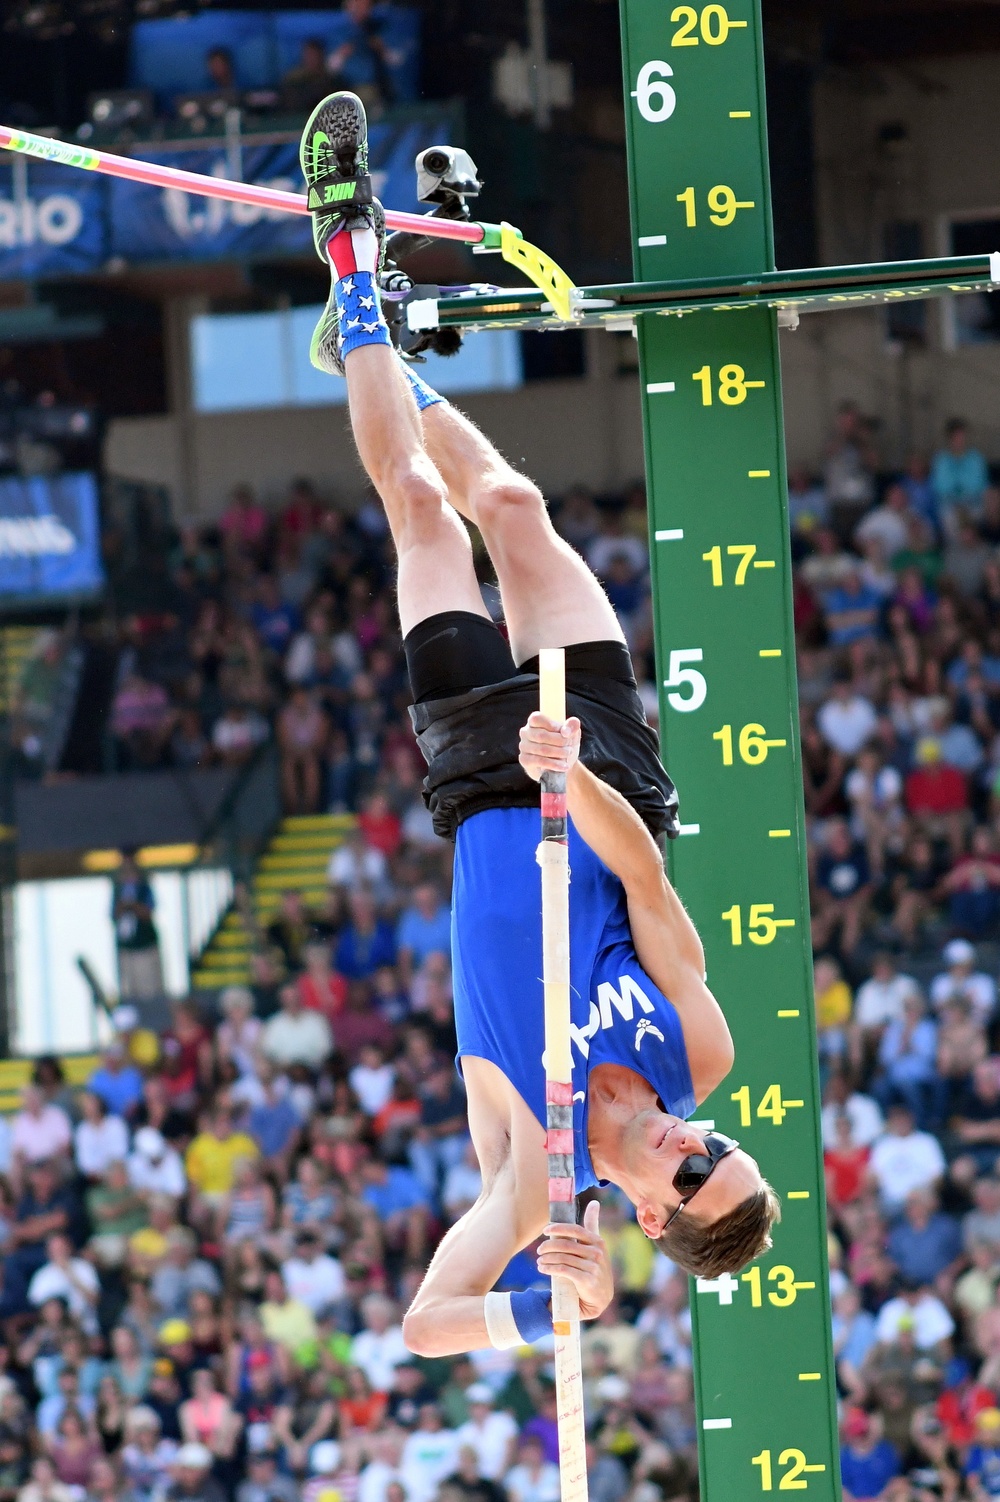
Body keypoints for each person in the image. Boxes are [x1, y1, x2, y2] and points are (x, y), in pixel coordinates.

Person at [297, 93, 778, 1356]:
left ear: (650, 1222)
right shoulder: (700, 1050)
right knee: (508, 502)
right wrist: (577, 785)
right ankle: (377, 353)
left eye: (689, 1179)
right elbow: (645, 878)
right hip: (601, 765)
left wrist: (541, 1302)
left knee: (417, 510)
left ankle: (344, 248)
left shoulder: (535, 1177)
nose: (694, 1146)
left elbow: (421, 1325)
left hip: (474, 782)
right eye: (719, 1151)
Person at [112, 855, 164, 1002]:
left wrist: (133, 905)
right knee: (129, 989)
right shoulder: (117, 891)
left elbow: (148, 913)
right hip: (127, 947)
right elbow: (114, 914)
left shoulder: (144, 889)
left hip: (144, 947)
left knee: (148, 988)